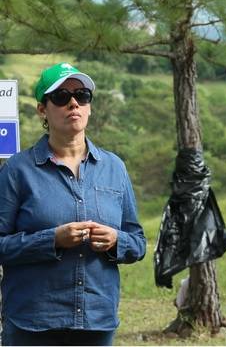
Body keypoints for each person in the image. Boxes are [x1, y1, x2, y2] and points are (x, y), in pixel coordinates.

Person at [0, 62, 146, 346]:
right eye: (61, 97)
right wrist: (51, 240)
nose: (73, 103)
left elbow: (138, 242)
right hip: (32, 323)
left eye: (82, 95)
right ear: (43, 109)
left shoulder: (115, 168)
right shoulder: (17, 170)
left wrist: (117, 240)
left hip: (96, 322)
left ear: (90, 106)